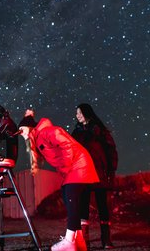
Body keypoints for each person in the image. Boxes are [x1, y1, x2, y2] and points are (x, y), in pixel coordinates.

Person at [18, 109, 99, 251]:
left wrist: (66, 168)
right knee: (68, 196)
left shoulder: (47, 132)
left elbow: (66, 145)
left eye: (22, 130)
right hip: (75, 166)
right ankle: (78, 241)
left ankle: (69, 241)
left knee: (71, 198)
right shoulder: (38, 139)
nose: (21, 134)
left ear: (30, 127)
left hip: (77, 164)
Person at [72, 103, 118, 249]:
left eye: (79, 112)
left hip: (99, 173)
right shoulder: (76, 133)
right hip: (83, 173)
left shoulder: (100, 131)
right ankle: (85, 240)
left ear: (86, 113)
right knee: (83, 205)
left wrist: (111, 171)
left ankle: (106, 239)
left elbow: (111, 151)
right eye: (76, 113)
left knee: (102, 205)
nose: (77, 115)